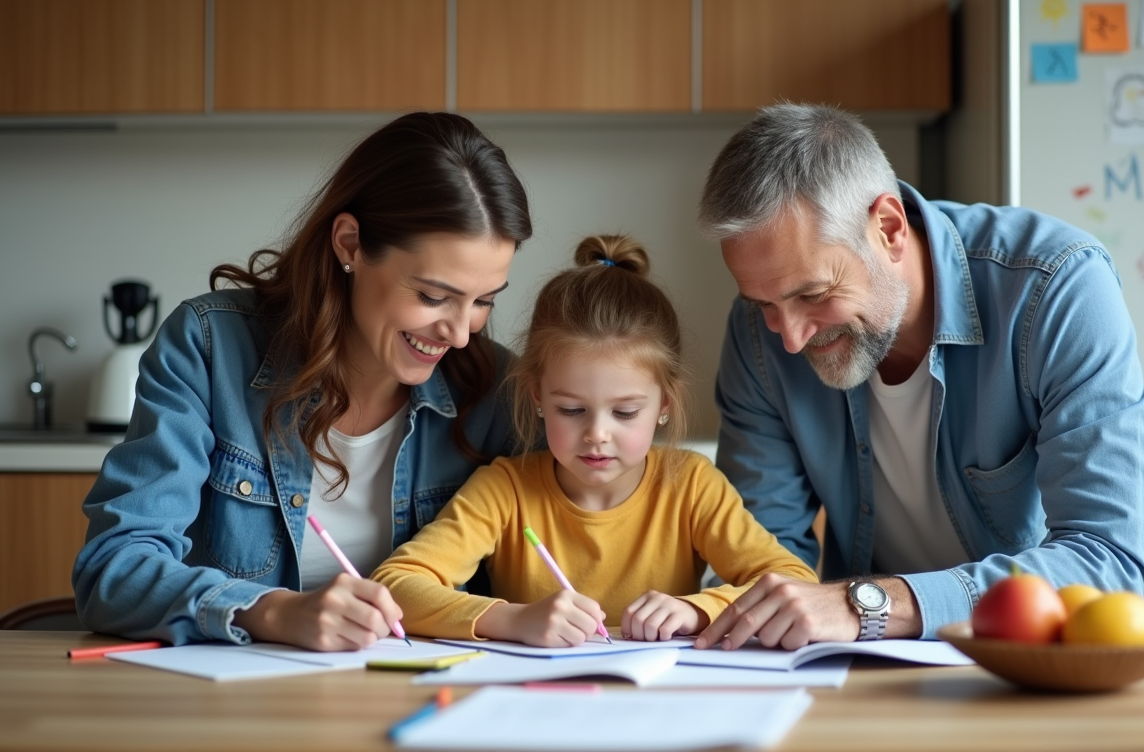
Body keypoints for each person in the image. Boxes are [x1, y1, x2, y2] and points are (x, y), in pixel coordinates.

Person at [691, 103, 1144, 652]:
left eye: (813, 295)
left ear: (888, 229)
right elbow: (759, 557)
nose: (788, 337)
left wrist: (867, 605)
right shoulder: (757, 335)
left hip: (1109, 662)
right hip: (899, 664)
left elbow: (1109, 561)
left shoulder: (1056, 288)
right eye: (764, 302)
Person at [72, 112, 533, 650]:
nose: (458, 335)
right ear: (350, 244)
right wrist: (270, 612)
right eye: (433, 296)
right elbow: (112, 569)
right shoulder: (210, 348)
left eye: (483, 302)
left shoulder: (498, 390)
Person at [370, 235, 817, 646]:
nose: (597, 435)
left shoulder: (691, 485)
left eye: (625, 412)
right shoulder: (505, 489)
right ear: (537, 397)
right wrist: (511, 619)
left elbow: (795, 582)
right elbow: (396, 584)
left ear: (664, 403)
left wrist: (697, 610)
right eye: (571, 410)